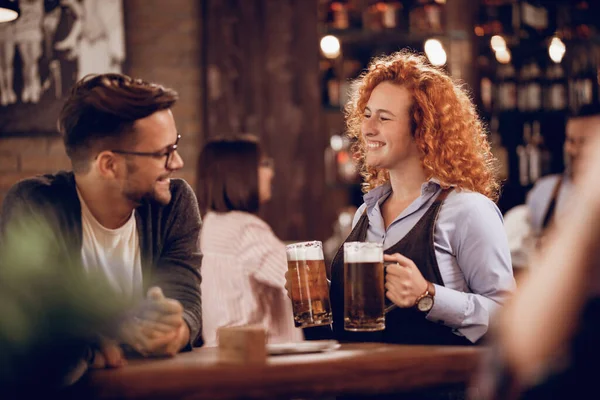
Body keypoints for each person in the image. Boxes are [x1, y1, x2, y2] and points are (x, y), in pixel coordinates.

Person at [289, 50, 515, 346]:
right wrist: (320, 297)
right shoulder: (365, 214)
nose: (367, 128)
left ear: (422, 130)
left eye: (383, 118)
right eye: (367, 115)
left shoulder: (467, 210)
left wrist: (429, 295)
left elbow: (510, 319)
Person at [0, 73, 202, 368]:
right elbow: (33, 323)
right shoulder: (36, 206)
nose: (177, 162)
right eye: (164, 153)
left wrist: (176, 329)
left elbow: (184, 299)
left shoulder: (175, 203)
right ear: (109, 165)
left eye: (176, 145)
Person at [472, 133, 600, 400]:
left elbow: (515, 347)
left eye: (585, 140)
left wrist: (430, 296)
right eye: (571, 139)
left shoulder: (471, 210)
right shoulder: (547, 190)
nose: (576, 148)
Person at [197, 135, 303, 347]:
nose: (270, 173)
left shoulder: (211, 224)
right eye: (263, 164)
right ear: (238, 174)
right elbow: (303, 283)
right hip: (264, 362)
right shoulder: (245, 230)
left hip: (223, 357)